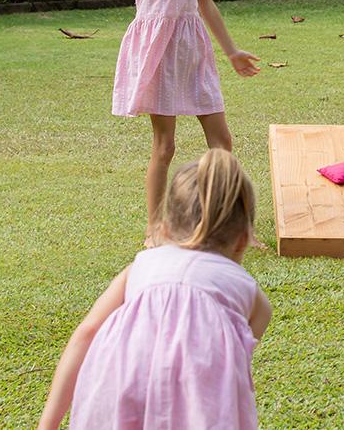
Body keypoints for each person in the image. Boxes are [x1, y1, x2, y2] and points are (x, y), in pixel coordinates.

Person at [37, 149, 272, 429]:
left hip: (121, 384)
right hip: (197, 405)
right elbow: (236, 359)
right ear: (243, 240)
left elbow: (87, 333)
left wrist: (47, 424)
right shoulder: (245, 288)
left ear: (164, 229)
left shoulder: (141, 266)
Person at [98, 0, 261, 245]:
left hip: (194, 53)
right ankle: (156, 229)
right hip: (159, 56)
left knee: (222, 142)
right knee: (164, 146)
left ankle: (234, 224)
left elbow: (206, 4)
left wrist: (232, 51)